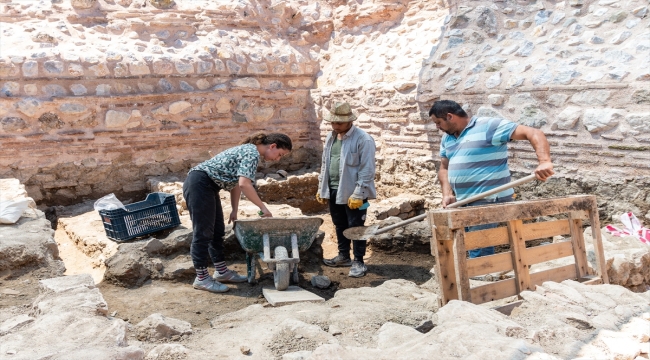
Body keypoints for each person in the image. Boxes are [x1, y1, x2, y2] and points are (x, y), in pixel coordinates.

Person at [429, 100, 554, 258]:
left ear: (449, 116)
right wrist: (447, 194)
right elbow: (444, 168)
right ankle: (485, 275)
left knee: (478, 248)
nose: (437, 127)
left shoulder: (488, 126)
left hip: (488, 199)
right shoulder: (447, 139)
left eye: (438, 123)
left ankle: (482, 277)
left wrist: (544, 162)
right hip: (462, 201)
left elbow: (534, 133)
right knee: (472, 244)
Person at [183, 133, 292, 293]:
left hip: (207, 187)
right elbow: (244, 185)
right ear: (273, 146)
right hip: (199, 184)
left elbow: (235, 183)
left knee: (217, 231)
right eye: (280, 155)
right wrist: (263, 208)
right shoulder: (252, 153)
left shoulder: (250, 151)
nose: (278, 160)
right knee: (203, 233)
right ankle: (202, 278)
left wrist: (234, 209)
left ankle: (221, 272)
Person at [316, 102, 377, 277]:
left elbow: (367, 169)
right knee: (339, 224)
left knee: (357, 225)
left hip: (356, 194)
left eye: (339, 123)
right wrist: (322, 187)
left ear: (349, 121)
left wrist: (359, 193)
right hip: (334, 189)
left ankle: (359, 261)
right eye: (332, 123)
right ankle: (343, 256)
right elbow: (325, 164)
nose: (335, 126)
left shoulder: (363, 139)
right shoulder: (331, 137)